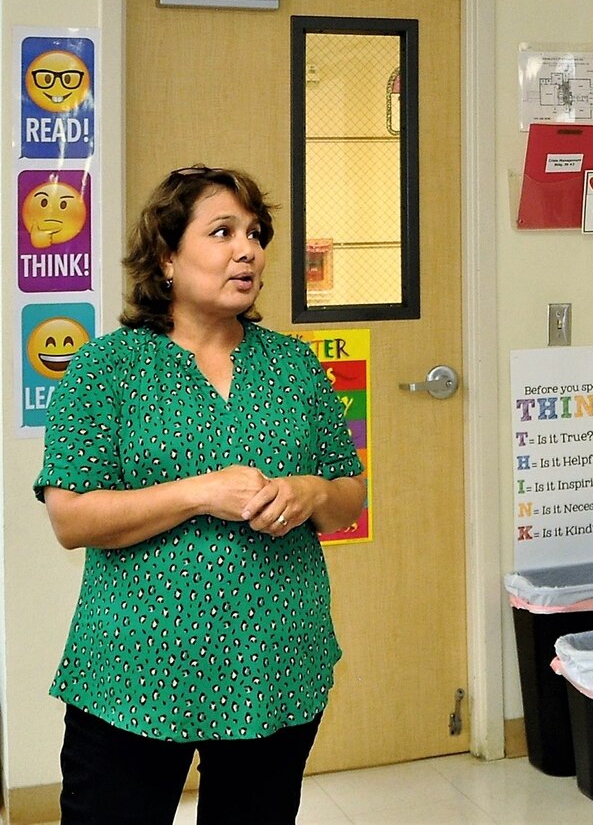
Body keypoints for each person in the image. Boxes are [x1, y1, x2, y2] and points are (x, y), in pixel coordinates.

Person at [34, 165, 367, 825]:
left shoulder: (294, 365)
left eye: (255, 233)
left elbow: (349, 494)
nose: (248, 249)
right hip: (133, 670)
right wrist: (197, 493)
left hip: (273, 663)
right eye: (222, 232)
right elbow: (70, 519)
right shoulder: (108, 367)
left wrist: (307, 492)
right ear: (166, 256)